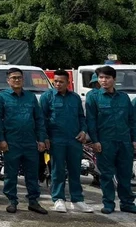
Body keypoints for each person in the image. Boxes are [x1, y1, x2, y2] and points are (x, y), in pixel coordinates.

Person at [0, 67, 48, 215]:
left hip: (30, 142)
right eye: (13, 78)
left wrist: (41, 139)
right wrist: (1, 140)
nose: (17, 80)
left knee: (32, 174)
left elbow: (38, 119)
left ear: (23, 79)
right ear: (8, 80)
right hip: (11, 142)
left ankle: (33, 201)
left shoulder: (30, 97)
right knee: (11, 174)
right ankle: (12, 201)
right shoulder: (1, 98)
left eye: (19, 77)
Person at [85, 65, 136, 214]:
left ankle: (127, 203)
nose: (104, 81)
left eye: (107, 78)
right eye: (101, 77)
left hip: (124, 141)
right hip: (105, 142)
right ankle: (108, 203)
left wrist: (134, 139)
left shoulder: (124, 97)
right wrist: (95, 141)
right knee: (106, 175)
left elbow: (132, 120)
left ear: (114, 79)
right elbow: (91, 120)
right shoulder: (93, 97)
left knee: (125, 174)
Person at [40, 69, 92, 213]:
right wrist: (44, 138)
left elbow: (81, 117)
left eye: (61, 82)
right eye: (55, 81)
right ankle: (58, 199)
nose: (57, 84)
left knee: (75, 169)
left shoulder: (75, 98)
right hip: (56, 139)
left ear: (68, 83)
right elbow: (42, 120)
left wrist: (83, 131)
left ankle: (77, 199)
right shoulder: (47, 97)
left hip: (74, 139)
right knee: (58, 170)